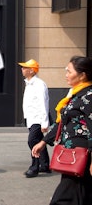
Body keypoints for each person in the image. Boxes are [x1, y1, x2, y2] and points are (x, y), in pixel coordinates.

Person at [32, 56, 92, 205]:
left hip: (83, 155)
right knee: (81, 196)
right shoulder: (76, 95)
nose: (65, 74)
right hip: (72, 155)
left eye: (69, 71)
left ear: (82, 75)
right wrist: (44, 141)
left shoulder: (89, 96)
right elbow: (62, 123)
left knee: (63, 198)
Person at [18, 59, 50, 178]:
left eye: (25, 67)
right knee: (38, 141)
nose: (22, 69)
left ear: (31, 71)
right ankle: (45, 164)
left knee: (32, 141)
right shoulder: (29, 83)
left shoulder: (39, 84)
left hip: (38, 119)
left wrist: (44, 123)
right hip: (31, 118)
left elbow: (43, 103)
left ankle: (34, 167)